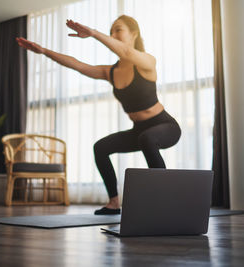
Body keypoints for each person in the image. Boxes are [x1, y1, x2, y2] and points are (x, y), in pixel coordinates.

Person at [16, 15, 181, 215]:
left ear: (134, 34)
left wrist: (93, 33)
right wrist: (44, 51)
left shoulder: (147, 61)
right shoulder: (111, 72)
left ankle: (165, 201)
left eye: (118, 30)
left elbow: (128, 51)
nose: (113, 35)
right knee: (101, 147)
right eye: (111, 31)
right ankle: (113, 203)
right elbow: (77, 64)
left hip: (165, 126)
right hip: (140, 131)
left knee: (147, 138)